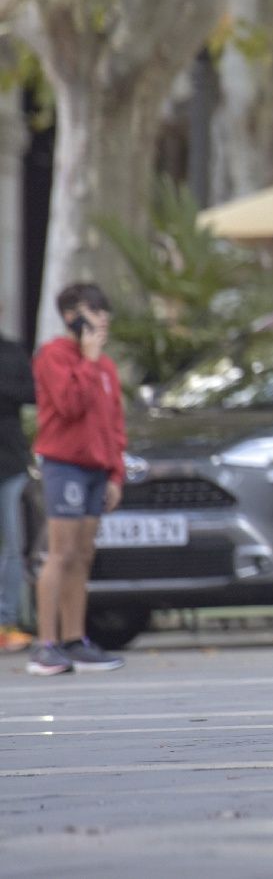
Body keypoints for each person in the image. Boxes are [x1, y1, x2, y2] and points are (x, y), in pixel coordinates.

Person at [29, 283, 126, 675]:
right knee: (61, 552)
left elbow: (113, 424)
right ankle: (45, 644)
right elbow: (69, 406)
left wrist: (115, 472)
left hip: (95, 469)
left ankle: (75, 639)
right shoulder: (54, 356)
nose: (102, 318)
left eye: (104, 311)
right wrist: (86, 360)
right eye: (93, 310)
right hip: (63, 465)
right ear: (73, 316)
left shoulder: (107, 366)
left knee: (83, 556)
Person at [0, 307, 35, 653]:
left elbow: (32, 392)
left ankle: (6, 620)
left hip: (10, 461)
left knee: (14, 545)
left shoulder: (11, 351)